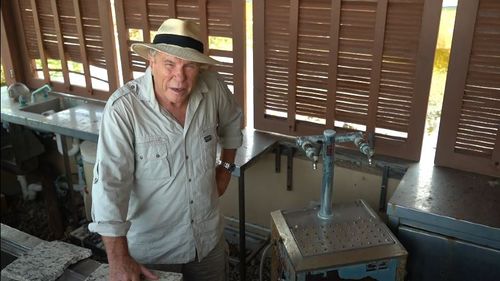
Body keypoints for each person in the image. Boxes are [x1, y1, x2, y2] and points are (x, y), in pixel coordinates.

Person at [88, 18, 243, 281]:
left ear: (200, 68)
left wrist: (225, 169)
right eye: (169, 63)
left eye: (189, 65)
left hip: (207, 242)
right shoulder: (124, 109)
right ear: (152, 60)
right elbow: (109, 186)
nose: (179, 77)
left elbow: (231, 123)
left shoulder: (213, 87)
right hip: (154, 253)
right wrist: (119, 259)